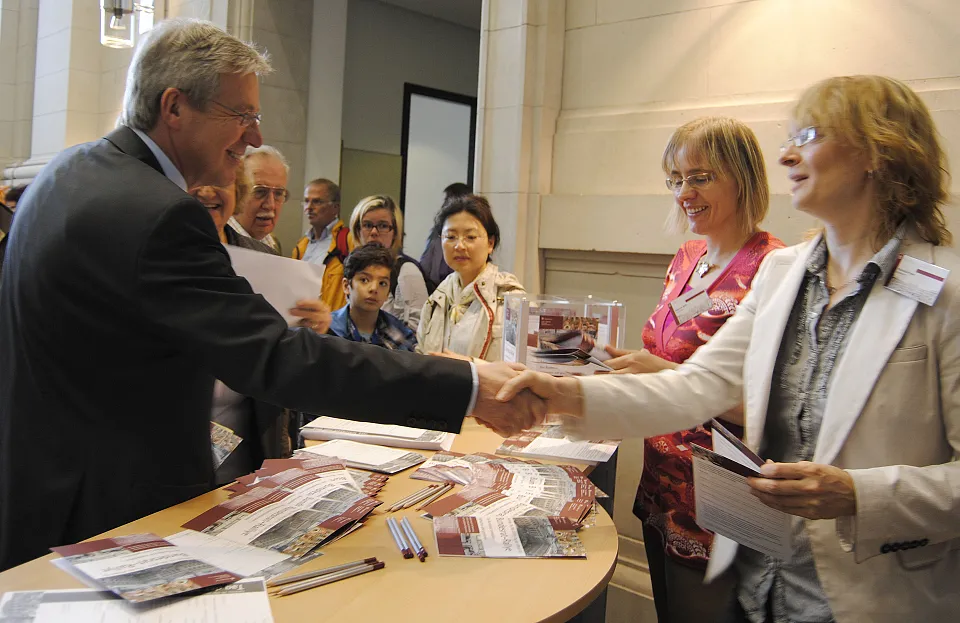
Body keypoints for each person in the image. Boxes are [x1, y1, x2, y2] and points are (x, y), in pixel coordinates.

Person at [0, 18, 542, 572]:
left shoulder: (70, 170)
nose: (255, 136)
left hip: (42, 495)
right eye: (242, 116)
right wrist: (468, 385)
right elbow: (275, 357)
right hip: (104, 519)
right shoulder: (159, 213)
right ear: (174, 107)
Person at [498, 75, 960, 623]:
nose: (786, 154)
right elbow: (695, 386)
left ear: (877, 152)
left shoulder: (946, 288)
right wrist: (560, 392)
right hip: (759, 580)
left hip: (872, 597)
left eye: (808, 135)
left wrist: (859, 495)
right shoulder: (784, 273)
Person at [597, 117, 784, 622]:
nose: (684, 192)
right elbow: (666, 353)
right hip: (662, 485)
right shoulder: (687, 257)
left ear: (741, 176)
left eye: (700, 177)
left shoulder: (775, 269)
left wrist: (660, 373)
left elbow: (776, 408)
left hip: (719, 504)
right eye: (676, 179)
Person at [189, 175, 330, 484]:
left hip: (249, 452)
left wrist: (311, 328)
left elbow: (286, 355)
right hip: (172, 459)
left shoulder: (266, 260)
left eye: (279, 193)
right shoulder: (154, 257)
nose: (208, 188)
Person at [417, 194, 525, 361]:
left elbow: (520, 366)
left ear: (490, 243)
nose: (459, 246)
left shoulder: (509, 298)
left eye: (471, 237)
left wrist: (471, 368)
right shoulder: (437, 298)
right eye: (451, 237)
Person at [348, 195, 429, 331]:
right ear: (357, 231)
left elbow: (420, 330)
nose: (374, 232)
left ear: (395, 232)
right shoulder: (352, 267)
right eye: (367, 225)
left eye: (383, 226)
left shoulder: (407, 271)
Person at [329, 243, 418, 352]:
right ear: (347, 286)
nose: (374, 288)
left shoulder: (400, 335)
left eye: (382, 283)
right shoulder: (328, 329)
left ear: (387, 293)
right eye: (364, 280)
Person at [292, 178, 350, 311]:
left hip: (334, 325)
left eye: (317, 202)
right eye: (306, 201)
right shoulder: (301, 247)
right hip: (303, 321)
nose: (309, 208)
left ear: (335, 207)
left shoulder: (347, 241)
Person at [228, 145, 287, 253]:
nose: (270, 205)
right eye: (260, 192)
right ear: (236, 191)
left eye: (278, 194)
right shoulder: (218, 241)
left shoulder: (273, 243)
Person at [420, 182, 470, 288]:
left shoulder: (472, 238)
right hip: (435, 288)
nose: (445, 205)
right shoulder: (437, 231)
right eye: (446, 200)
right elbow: (425, 264)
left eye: (450, 200)